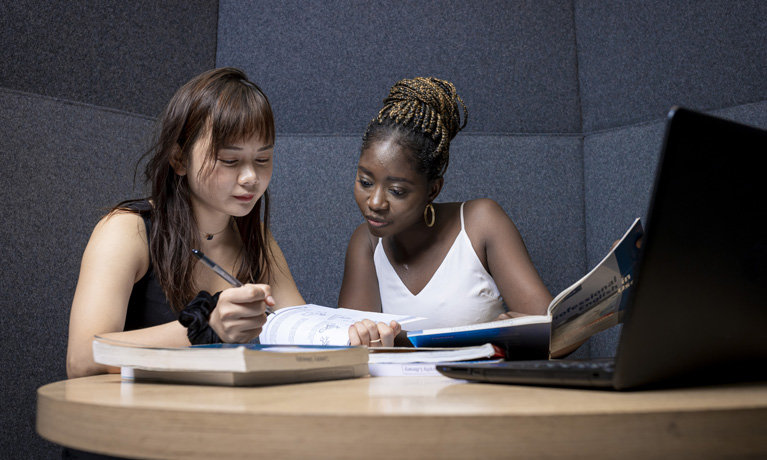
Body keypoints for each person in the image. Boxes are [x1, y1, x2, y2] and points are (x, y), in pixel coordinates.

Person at [66, 67, 306, 380]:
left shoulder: (256, 238)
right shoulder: (127, 230)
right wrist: (203, 328)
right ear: (180, 159)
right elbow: (82, 358)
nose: (251, 178)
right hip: (136, 420)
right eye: (230, 160)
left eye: (263, 159)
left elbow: (301, 329)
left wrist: (352, 336)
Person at [339, 77, 553, 347]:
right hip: (397, 389)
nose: (376, 202)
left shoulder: (480, 223)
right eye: (366, 182)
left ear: (432, 190)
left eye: (397, 191)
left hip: (481, 387)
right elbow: (355, 351)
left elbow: (556, 334)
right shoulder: (366, 243)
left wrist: (514, 335)